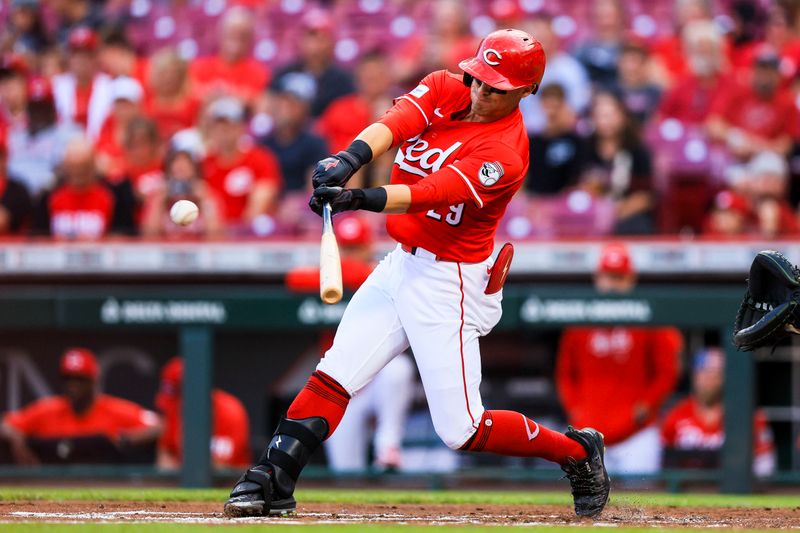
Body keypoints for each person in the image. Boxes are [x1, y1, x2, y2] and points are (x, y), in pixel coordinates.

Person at [225, 29, 610, 519]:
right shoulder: (447, 86)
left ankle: (578, 453)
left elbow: (432, 192)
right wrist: (349, 160)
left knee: (463, 429)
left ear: (524, 92)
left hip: (450, 282)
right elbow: (396, 122)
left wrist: (359, 199)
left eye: (496, 87)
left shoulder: (505, 154)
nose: (480, 91)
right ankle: (273, 478)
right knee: (336, 370)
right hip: (402, 263)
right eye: (478, 78)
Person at [284, 215, 415, 472]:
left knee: (398, 369)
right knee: (345, 470)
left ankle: (388, 446)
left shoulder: (382, 275)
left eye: (356, 249)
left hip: (377, 378)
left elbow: (363, 272)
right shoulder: (329, 276)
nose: (349, 256)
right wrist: (343, 272)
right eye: (345, 249)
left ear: (368, 247)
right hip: (340, 386)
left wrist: (344, 271)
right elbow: (294, 279)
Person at [556, 243, 681, 475]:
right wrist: (575, 409)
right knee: (584, 506)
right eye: (608, 277)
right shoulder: (578, 319)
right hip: (587, 433)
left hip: (636, 436)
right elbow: (565, 373)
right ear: (597, 278)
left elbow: (667, 371)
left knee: (642, 505)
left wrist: (646, 405)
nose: (612, 284)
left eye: (619, 278)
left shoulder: (651, 317)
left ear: (631, 279)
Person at [0, 347, 161, 465]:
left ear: (93, 381)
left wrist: (125, 439)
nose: (73, 385)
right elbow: (5, 424)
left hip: (107, 485)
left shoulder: (114, 409)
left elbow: (158, 425)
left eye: (80, 379)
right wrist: (16, 438)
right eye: (68, 378)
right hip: (54, 486)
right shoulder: (49, 409)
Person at [661, 347, 776, 477]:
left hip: (732, 492)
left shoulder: (747, 416)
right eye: (703, 372)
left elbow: (765, 465)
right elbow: (664, 466)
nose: (708, 380)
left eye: (715, 373)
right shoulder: (676, 414)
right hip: (689, 490)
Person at [201, 97, 282, 232]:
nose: (222, 132)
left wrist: (234, 233)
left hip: (249, 236)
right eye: (218, 126)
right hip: (214, 234)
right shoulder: (204, 163)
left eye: (228, 126)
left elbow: (258, 207)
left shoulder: (259, 159)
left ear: (240, 127)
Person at [580, 91, 655, 235]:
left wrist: (614, 213)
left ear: (622, 116)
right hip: (592, 214)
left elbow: (646, 197)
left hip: (627, 215)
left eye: (610, 115)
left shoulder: (638, 151)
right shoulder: (585, 148)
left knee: (635, 226)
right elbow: (577, 186)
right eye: (601, 116)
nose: (606, 121)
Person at [156, 357, 251, 470]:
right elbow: (165, 457)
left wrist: (192, 446)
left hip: (230, 485)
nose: (176, 405)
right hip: (186, 484)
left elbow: (223, 469)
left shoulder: (230, 412)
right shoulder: (175, 411)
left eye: (179, 397)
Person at [707, 46, 797, 159]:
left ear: (778, 75)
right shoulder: (737, 91)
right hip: (732, 151)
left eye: (769, 72)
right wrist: (736, 138)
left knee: (771, 164)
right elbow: (713, 124)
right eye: (761, 71)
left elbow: (785, 147)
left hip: (765, 157)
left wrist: (754, 147)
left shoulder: (787, 102)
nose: (764, 77)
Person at [270, 8, 355, 118]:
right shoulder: (285, 73)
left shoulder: (342, 80)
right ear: (301, 40)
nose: (315, 45)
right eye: (311, 37)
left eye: (322, 38)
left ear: (331, 43)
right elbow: (269, 102)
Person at [7, 76, 80, 199]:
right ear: (27, 108)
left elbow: (71, 168)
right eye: (35, 107)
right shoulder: (16, 134)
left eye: (43, 106)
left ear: (52, 108)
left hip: (49, 196)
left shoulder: (68, 132)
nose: (39, 112)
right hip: (15, 198)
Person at [140, 132, 224, 238]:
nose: (181, 166)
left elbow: (216, 236)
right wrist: (159, 201)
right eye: (176, 163)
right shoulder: (159, 195)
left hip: (200, 251)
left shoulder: (207, 195)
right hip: (166, 251)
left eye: (186, 164)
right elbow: (149, 235)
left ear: (195, 169)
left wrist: (205, 200)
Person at [260, 73, 328, 192]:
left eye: (294, 103)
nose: (285, 107)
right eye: (283, 100)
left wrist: (298, 203)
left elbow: (314, 188)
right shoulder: (264, 144)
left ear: (306, 109)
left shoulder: (315, 145)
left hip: (301, 207)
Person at [189, 7, 270, 105]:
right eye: (232, 33)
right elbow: (185, 95)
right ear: (221, 34)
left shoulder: (259, 73)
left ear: (250, 39)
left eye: (243, 35)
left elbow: (261, 103)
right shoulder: (199, 67)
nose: (237, 39)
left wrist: (227, 96)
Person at [51, 27, 113, 140]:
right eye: (76, 54)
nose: (81, 60)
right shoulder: (56, 86)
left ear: (96, 57)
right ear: (69, 58)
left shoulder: (110, 86)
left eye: (87, 55)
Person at [525, 84, 585, 196]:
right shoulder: (532, 142)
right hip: (533, 200)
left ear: (564, 106)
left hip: (564, 202)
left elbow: (578, 179)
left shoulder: (575, 142)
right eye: (547, 107)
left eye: (556, 106)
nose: (551, 113)